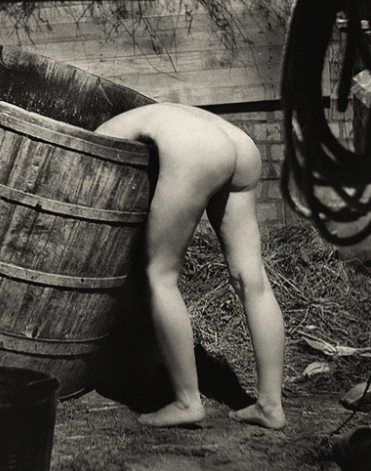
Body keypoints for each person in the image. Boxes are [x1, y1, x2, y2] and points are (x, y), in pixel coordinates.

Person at [94, 103, 287, 429]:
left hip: (196, 146)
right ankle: (271, 405)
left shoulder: (98, 136)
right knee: (251, 280)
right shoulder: (148, 114)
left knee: (160, 274)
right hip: (241, 145)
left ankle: (186, 402)